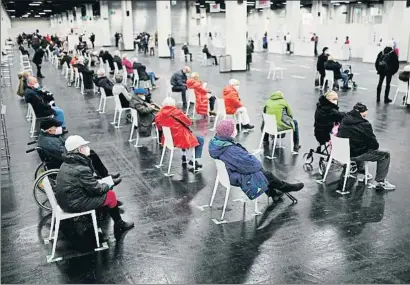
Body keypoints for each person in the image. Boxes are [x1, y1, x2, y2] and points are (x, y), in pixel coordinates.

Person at [209, 119, 304, 202]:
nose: (236, 130)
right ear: (228, 133)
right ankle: (286, 188)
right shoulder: (231, 150)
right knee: (264, 174)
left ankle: (274, 194)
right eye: (234, 129)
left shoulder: (217, 143)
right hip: (234, 176)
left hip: (227, 172)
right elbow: (253, 165)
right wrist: (249, 157)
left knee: (263, 173)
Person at [55, 135, 134, 233]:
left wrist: (101, 183)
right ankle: (119, 224)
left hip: (66, 201)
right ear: (79, 149)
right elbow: (98, 189)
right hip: (73, 204)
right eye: (84, 146)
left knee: (104, 190)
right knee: (110, 195)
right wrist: (109, 183)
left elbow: (87, 184)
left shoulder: (67, 163)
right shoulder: (81, 169)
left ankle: (110, 217)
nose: (87, 148)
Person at [38, 118, 121, 180]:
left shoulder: (47, 137)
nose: (58, 128)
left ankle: (105, 175)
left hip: (60, 159)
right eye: (56, 127)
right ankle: (105, 176)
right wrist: (77, 151)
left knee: (89, 151)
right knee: (91, 155)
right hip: (65, 161)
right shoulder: (50, 142)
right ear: (50, 130)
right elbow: (63, 153)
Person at [338, 103, 395, 190]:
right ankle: (380, 182)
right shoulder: (365, 124)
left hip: (342, 153)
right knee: (385, 154)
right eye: (364, 115)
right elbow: (374, 145)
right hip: (355, 155)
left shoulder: (345, 119)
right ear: (362, 113)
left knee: (356, 144)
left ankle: (362, 170)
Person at [155, 97, 204, 169]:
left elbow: (159, 127)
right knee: (200, 140)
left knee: (183, 136)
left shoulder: (158, 114)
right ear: (173, 104)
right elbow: (188, 123)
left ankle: (184, 155)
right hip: (180, 139)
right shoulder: (177, 112)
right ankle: (194, 160)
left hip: (168, 140)